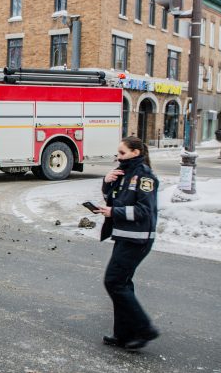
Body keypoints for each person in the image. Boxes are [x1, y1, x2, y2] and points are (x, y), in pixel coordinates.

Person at [96, 136, 160, 350]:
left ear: (136, 152)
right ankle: (123, 334)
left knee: (114, 282)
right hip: (125, 235)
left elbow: (144, 211)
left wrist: (114, 212)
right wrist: (107, 182)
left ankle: (144, 328)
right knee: (122, 283)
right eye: (118, 153)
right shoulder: (124, 173)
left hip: (139, 238)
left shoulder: (144, 176)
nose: (118, 156)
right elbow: (113, 198)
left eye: (122, 153)